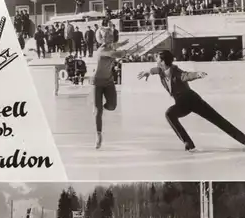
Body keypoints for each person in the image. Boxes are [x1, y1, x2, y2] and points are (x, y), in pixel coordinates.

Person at [137, 50, 245, 151]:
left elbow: (186, 75)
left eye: (158, 59)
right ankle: (188, 142)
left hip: (193, 100)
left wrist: (197, 74)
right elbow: (154, 70)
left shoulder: (177, 73)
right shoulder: (160, 70)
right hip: (181, 104)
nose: (156, 61)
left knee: (218, 120)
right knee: (169, 114)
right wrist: (147, 72)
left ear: (163, 62)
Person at [92, 21, 129, 149]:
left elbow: (114, 45)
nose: (110, 37)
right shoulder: (101, 50)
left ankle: (99, 108)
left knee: (112, 106)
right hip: (97, 82)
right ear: (102, 38)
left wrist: (123, 43)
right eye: (108, 35)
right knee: (98, 111)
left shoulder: (110, 45)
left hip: (108, 81)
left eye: (110, 35)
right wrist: (127, 51)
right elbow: (115, 54)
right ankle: (98, 134)